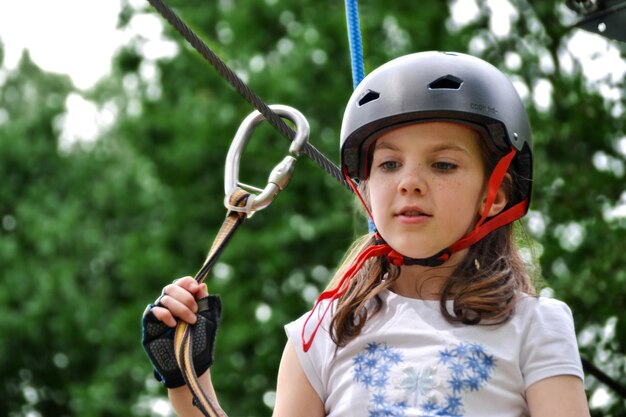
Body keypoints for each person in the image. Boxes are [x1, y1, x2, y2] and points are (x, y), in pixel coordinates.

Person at [142, 51, 591, 416]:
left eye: (443, 165)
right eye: (389, 164)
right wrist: (188, 377)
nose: (408, 182)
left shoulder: (536, 327)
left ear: (494, 195)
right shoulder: (322, 332)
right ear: (365, 188)